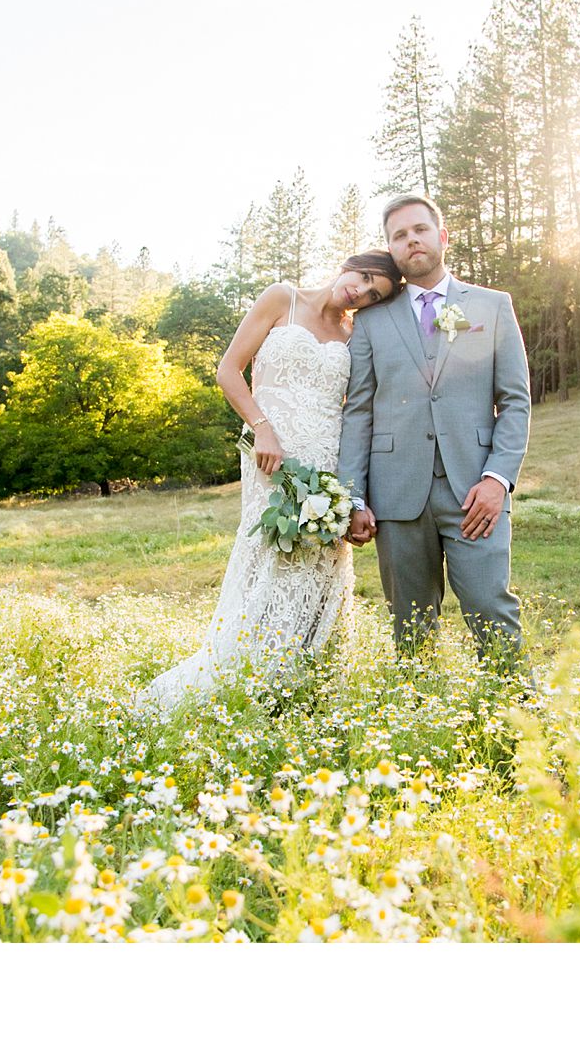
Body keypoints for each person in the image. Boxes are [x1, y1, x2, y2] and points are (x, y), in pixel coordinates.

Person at [136, 252, 405, 716]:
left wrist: (356, 491)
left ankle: (305, 682)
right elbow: (228, 371)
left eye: (373, 292)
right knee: (272, 549)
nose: (361, 290)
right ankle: (249, 671)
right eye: (363, 277)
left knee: (320, 557)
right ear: (347, 265)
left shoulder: (355, 334)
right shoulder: (283, 298)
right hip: (271, 454)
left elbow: (359, 407)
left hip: (325, 457)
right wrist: (261, 427)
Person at [338, 193, 534, 684]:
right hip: (397, 495)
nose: (411, 241)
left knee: (493, 611)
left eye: (420, 230)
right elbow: (358, 411)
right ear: (391, 249)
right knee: (410, 629)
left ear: (441, 237)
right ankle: (418, 730)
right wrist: (353, 496)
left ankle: (527, 731)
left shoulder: (492, 306)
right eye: (399, 236)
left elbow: (514, 401)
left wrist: (498, 480)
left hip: (475, 492)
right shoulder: (371, 321)